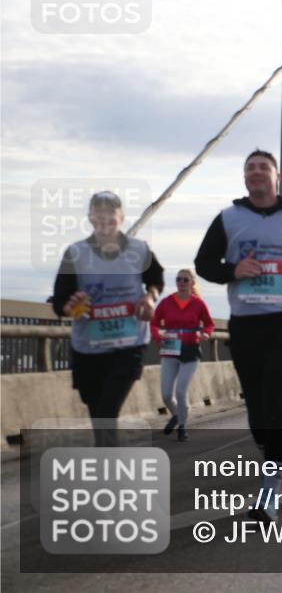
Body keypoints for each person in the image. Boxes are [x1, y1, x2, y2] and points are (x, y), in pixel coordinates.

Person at [195, 149, 282, 522]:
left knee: (275, 406)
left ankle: (269, 491)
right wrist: (233, 270)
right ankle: (272, 444)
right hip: (246, 323)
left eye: (263, 168)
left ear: (277, 176)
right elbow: (203, 263)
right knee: (256, 410)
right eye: (250, 168)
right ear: (244, 178)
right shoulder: (228, 218)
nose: (256, 173)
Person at [52, 191, 164, 446]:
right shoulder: (75, 253)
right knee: (95, 407)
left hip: (129, 344)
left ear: (121, 218)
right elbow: (60, 302)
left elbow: (156, 278)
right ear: (91, 218)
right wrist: (70, 305)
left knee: (106, 410)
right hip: (88, 347)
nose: (104, 221)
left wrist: (150, 297)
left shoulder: (139, 249)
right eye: (99, 215)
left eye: (110, 216)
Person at [150, 268, 214, 442]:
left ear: (192, 283)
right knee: (165, 394)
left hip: (190, 350)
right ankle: (177, 414)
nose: (181, 282)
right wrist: (157, 336)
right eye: (178, 279)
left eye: (185, 280)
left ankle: (182, 426)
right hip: (170, 350)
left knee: (180, 391)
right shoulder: (166, 302)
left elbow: (209, 324)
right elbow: (154, 323)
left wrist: (206, 334)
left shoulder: (198, 304)